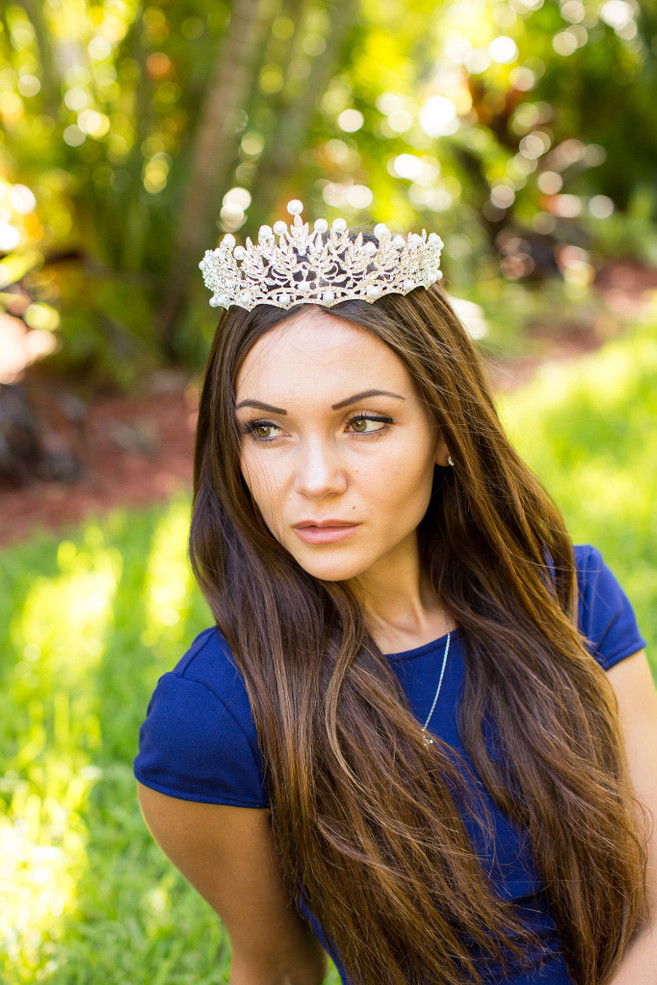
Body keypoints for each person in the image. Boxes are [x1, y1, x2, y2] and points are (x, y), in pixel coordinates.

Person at [134, 201, 657, 985]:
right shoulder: (211, 717)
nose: (313, 481)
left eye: (364, 422)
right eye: (266, 429)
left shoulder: (569, 596)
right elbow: (276, 969)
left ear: (445, 430)